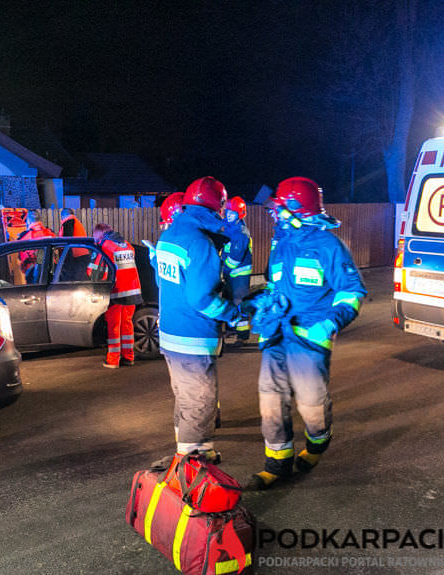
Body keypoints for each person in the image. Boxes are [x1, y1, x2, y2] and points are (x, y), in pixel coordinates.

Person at [249, 177, 366, 490]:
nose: (275, 215)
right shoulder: (281, 242)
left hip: (310, 340)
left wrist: (328, 324)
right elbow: (275, 284)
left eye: (281, 209)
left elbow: (352, 292)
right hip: (276, 336)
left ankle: (317, 443)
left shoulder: (329, 246)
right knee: (271, 401)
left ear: (297, 210)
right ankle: (278, 464)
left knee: (312, 406)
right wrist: (265, 301)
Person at [155, 176, 242, 462]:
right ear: (217, 206)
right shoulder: (200, 243)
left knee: (185, 400)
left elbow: (165, 282)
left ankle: (189, 453)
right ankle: (193, 464)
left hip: (170, 335)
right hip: (193, 336)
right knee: (201, 403)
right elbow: (202, 299)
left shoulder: (169, 236)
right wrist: (233, 314)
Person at [91, 223, 143, 368]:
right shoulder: (126, 245)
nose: (95, 239)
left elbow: (93, 271)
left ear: (100, 235)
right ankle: (129, 357)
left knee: (114, 326)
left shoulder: (105, 246)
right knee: (127, 325)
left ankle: (113, 360)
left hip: (116, 291)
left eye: (95, 236)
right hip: (132, 291)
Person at [221, 196, 253, 346]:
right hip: (230, 275)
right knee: (228, 301)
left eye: (232, 213)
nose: (228, 215)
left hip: (239, 275)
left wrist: (221, 267)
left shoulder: (241, 233)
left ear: (239, 214)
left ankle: (243, 336)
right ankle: (231, 329)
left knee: (239, 303)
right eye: (227, 212)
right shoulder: (229, 229)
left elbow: (234, 260)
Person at [16, 210, 55, 282]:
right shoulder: (50, 233)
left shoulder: (25, 236)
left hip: (32, 272)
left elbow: (20, 254)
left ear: (28, 222)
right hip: (51, 270)